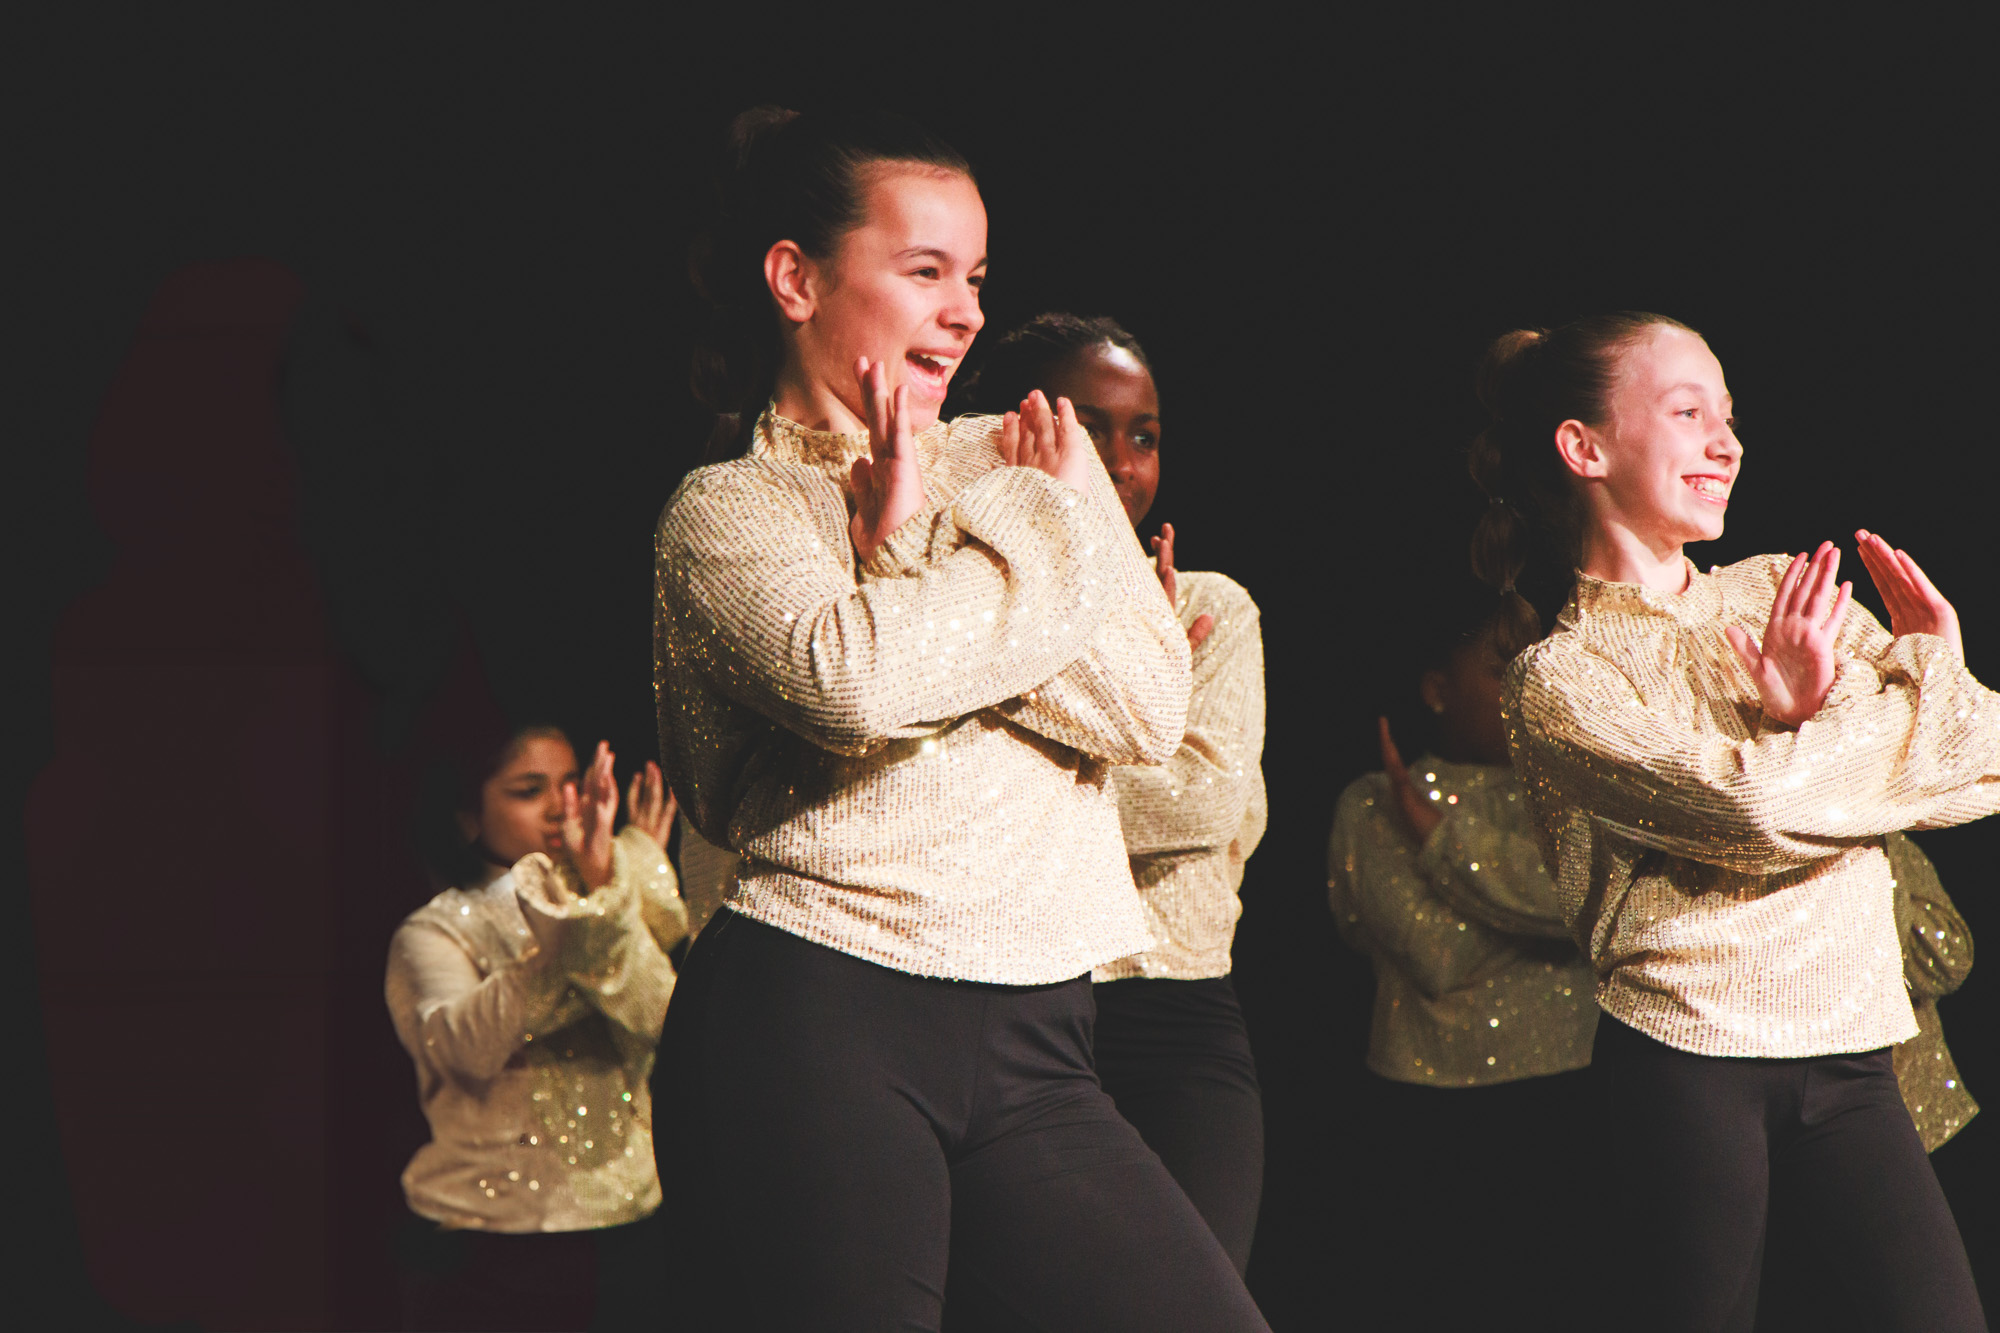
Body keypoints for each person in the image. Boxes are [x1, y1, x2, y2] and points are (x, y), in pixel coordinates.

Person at [652, 107, 1267, 1331]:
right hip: (821, 1013)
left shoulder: (1019, 456)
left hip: (1043, 1034)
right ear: (795, 280)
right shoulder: (731, 509)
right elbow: (853, 681)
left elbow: (1146, 707)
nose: (965, 313)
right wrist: (1033, 543)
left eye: (976, 278)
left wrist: (918, 562)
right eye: (925, 271)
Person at [1481, 312, 1989, 1330]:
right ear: (1583, 447)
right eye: (1688, 413)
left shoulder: (1772, 591)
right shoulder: (1560, 674)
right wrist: (1843, 713)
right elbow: (1744, 808)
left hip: (1855, 1052)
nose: (1726, 444)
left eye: (1730, 417)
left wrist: (1935, 663)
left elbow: (1978, 758)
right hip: (1687, 1062)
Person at [962, 312, 1267, 1274]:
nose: (1124, 462)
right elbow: (961, 798)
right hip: (1019, 1006)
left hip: (1179, 1017)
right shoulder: (968, 600)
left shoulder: (1210, 606)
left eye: (1145, 434)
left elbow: (1201, 802)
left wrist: (1039, 743)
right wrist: (1126, 708)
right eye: (1088, 427)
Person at [1324, 576, 1597, 1324]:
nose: (1530, 688)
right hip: (1428, 1117)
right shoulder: (1374, 801)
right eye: (1505, 670)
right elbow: (1438, 955)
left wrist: (1442, 840)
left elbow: (1592, 904)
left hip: (1568, 1102)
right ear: (1439, 690)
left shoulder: (1572, 802)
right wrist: (1551, 924)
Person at [386, 725, 686, 1331]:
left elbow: (664, 1020)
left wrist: (613, 886)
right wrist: (582, 919)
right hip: (493, 1241)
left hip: (627, 1230)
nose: (561, 807)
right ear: (469, 817)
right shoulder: (435, 931)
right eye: (529, 790)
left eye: (571, 784)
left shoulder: (607, 901)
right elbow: (464, 1050)